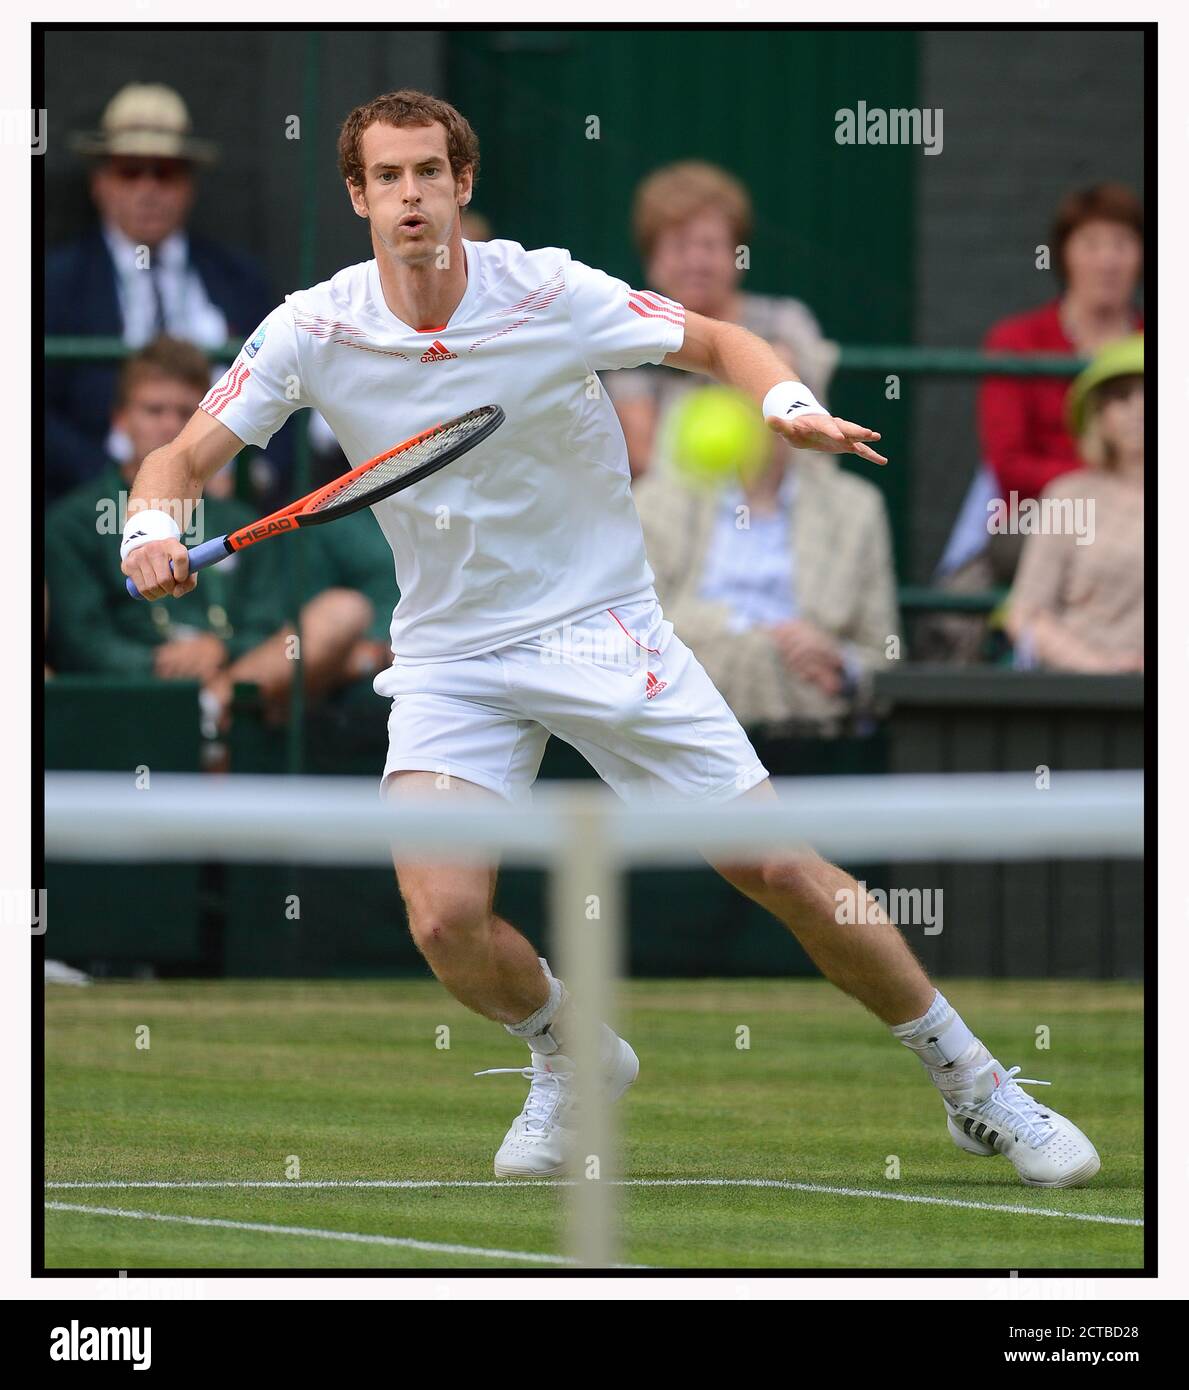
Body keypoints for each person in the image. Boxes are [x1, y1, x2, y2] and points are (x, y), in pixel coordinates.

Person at [119, 89, 1098, 1190]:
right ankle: (571, 1055)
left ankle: (977, 1085)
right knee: (444, 919)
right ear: (357, 195)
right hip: (451, 653)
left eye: (428, 174)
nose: (410, 196)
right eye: (386, 178)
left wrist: (781, 406)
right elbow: (185, 457)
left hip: (600, 624)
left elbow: (722, 338)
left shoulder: (550, 289)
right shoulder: (313, 326)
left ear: (461, 185)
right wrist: (154, 523)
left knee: (774, 863)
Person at [45, 338, 383, 731]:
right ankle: (204, 719)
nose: (169, 424)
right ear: (120, 419)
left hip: (237, 687)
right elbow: (79, 636)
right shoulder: (73, 521)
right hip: (123, 698)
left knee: (342, 610)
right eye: (154, 410)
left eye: (185, 413)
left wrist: (221, 650)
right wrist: (158, 663)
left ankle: (209, 713)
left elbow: (269, 620)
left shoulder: (239, 516)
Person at [46, 83, 278, 499]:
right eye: (130, 171)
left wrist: (250, 476)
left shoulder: (239, 279)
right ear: (99, 182)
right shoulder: (56, 284)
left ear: (189, 185)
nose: (147, 189)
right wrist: (119, 482)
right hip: (98, 506)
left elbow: (291, 388)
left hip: (227, 501)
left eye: (165, 173)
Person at [634, 389, 898, 733]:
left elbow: (884, 655)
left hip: (811, 716)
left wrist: (838, 660)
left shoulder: (857, 508)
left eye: (788, 393)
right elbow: (636, 631)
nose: (770, 413)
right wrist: (761, 634)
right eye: (752, 388)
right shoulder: (656, 502)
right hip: (686, 708)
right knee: (755, 654)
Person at [608, 160, 836, 478]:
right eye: (679, 246)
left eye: (710, 245)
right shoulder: (631, 337)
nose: (696, 261)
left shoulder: (787, 324)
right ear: (652, 260)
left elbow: (805, 437)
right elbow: (645, 461)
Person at [978, 183, 1143, 504]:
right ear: (1064, 255)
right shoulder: (1015, 341)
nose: (1108, 261)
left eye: (1122, 244)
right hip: (1045, 514)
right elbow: (1009, 467)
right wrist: (1104, 482)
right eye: (1091, 245)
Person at [1006, 336, 1143, 673]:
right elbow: (1026, 615)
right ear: (1100, 416)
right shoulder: (1068, 495)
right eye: (1123, 397)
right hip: (1082, 704)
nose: (1140, 409)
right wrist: (1101, 668)